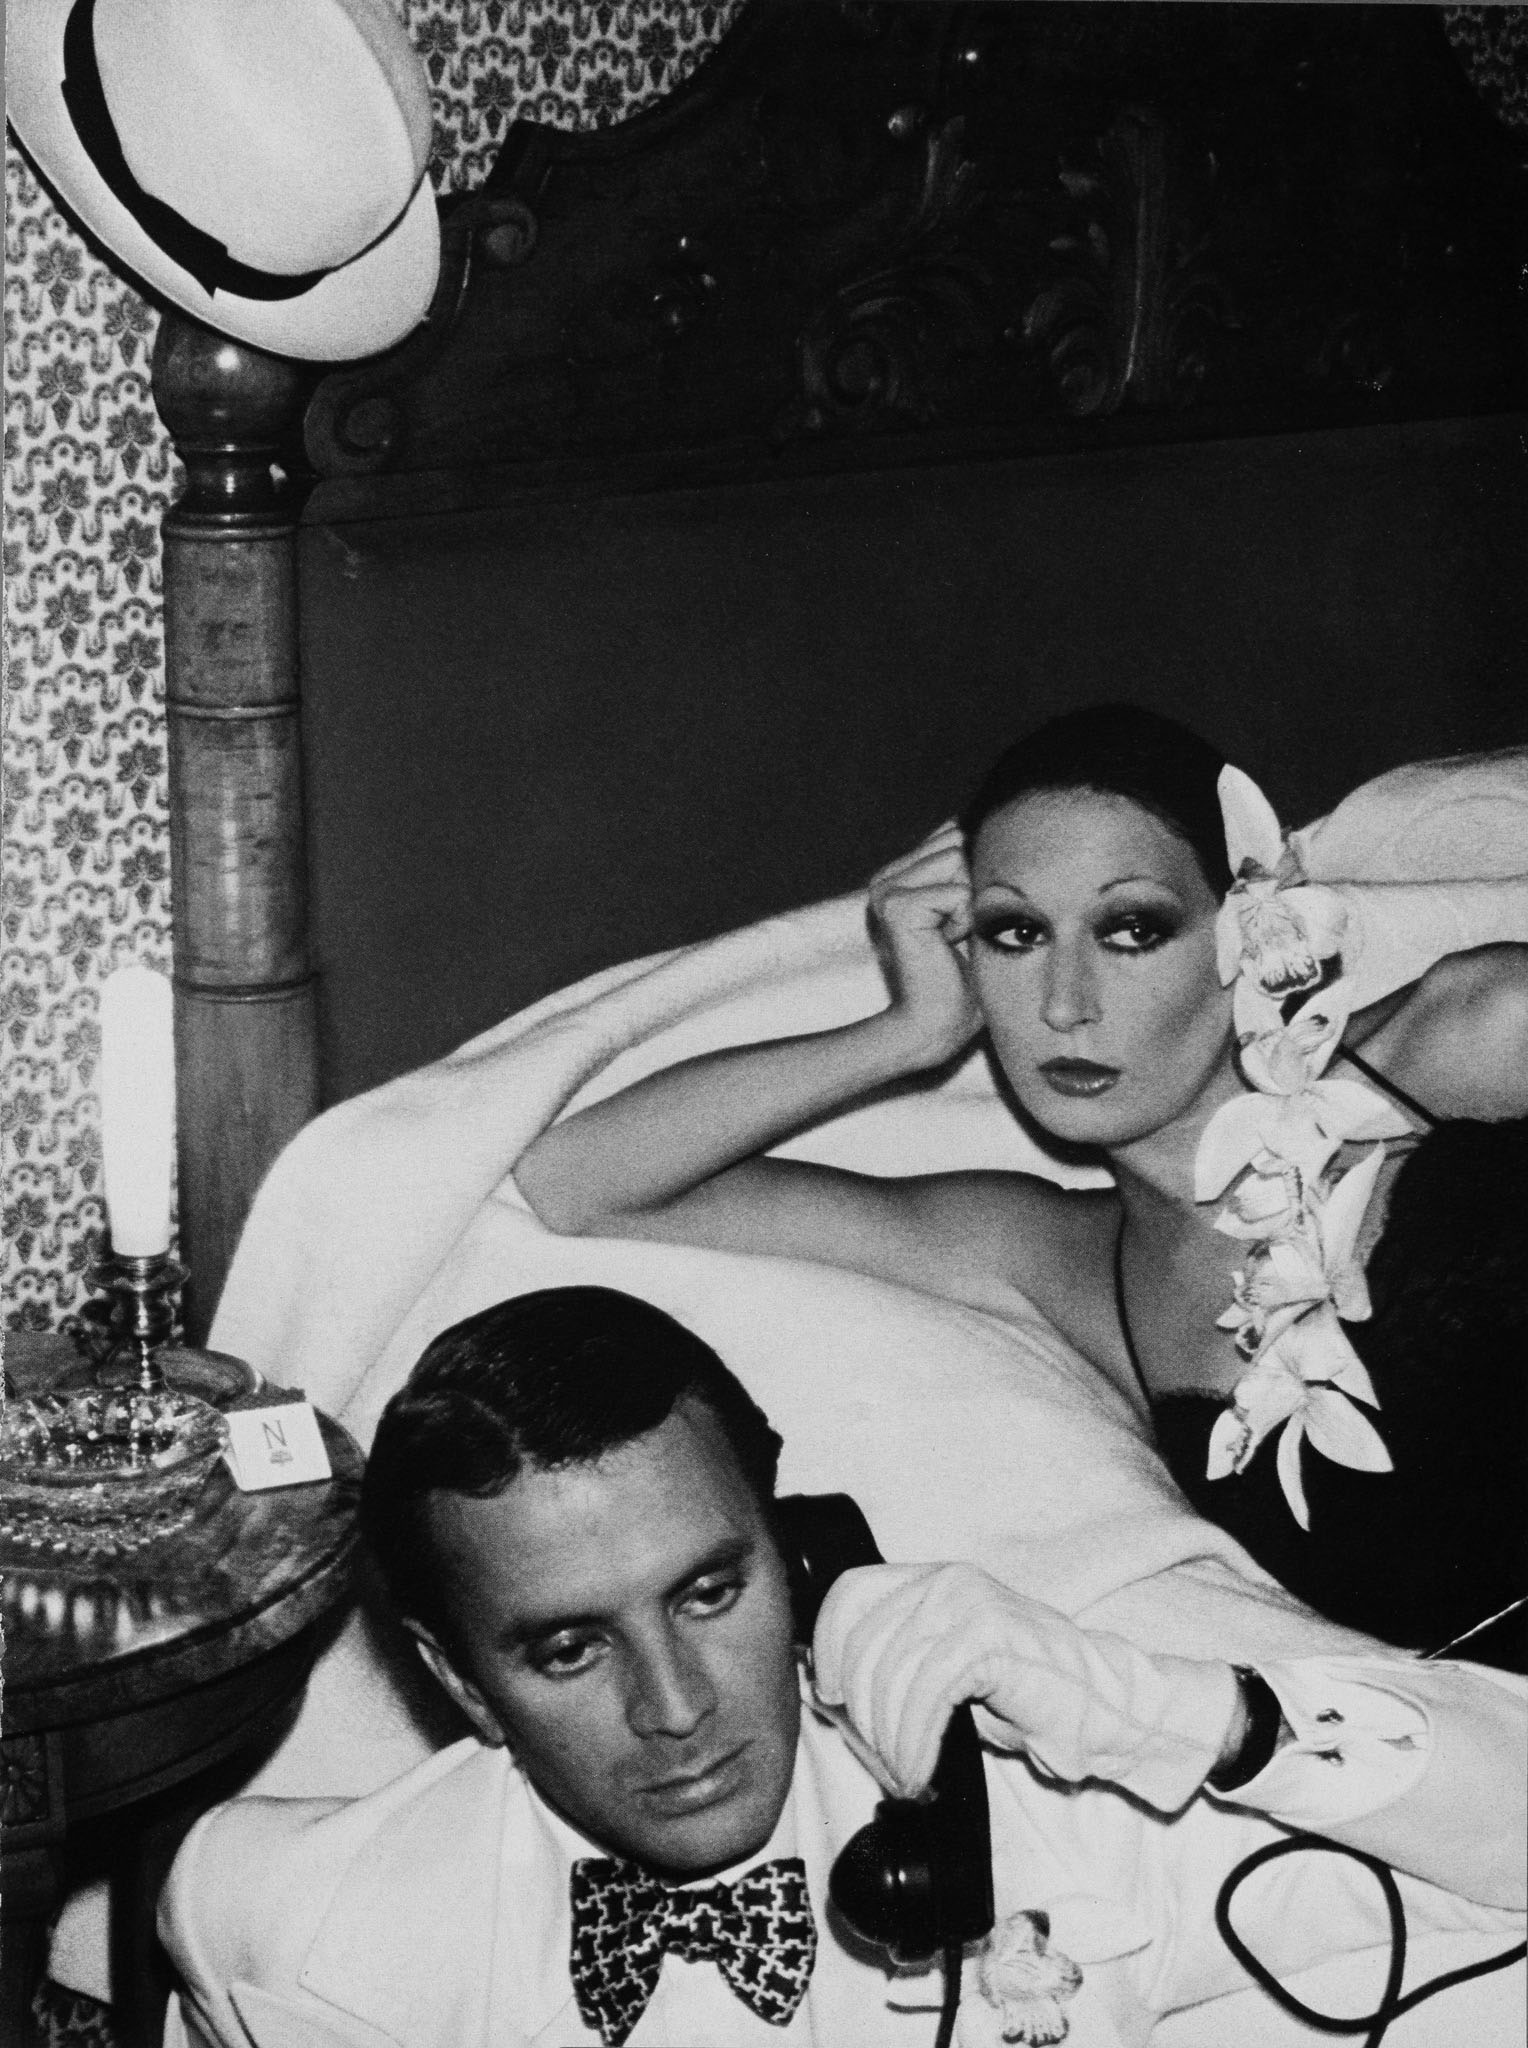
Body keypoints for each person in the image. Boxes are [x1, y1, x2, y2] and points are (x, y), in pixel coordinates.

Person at [159, 1287, 1524, 2048]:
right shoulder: (303, 1938)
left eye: (710, 1593)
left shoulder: (1061, 1816)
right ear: (461, 1685)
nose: (676, 1707)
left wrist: (1186, 1712)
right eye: (569, 1648)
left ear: (800, 1556)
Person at [512, 706, 1527, 1672]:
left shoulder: (1468, 1034)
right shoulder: (1059, 1262)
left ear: (1249, 933)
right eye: (1016, 933)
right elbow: (581, 1182)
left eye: (1131, 929)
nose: (1063, 1004)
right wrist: (905, 1033)